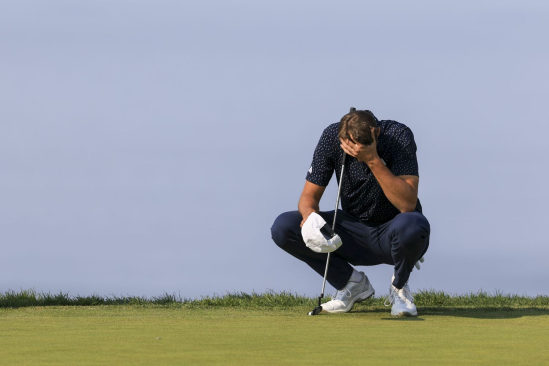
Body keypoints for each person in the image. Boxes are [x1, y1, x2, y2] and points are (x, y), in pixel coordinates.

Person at [271, 109, 430, 316]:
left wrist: (372, 159)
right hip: (350, 232)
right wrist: (309, 215)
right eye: (349, 145)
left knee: (414, 224)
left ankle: (399, 288)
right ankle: (351, 284)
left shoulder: (398, 136)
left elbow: (407, 204)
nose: (353, 151)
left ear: (377, 133)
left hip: (394, 232)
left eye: (359, 147)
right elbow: (308, 196)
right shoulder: (331, 137)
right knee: (284, 226)